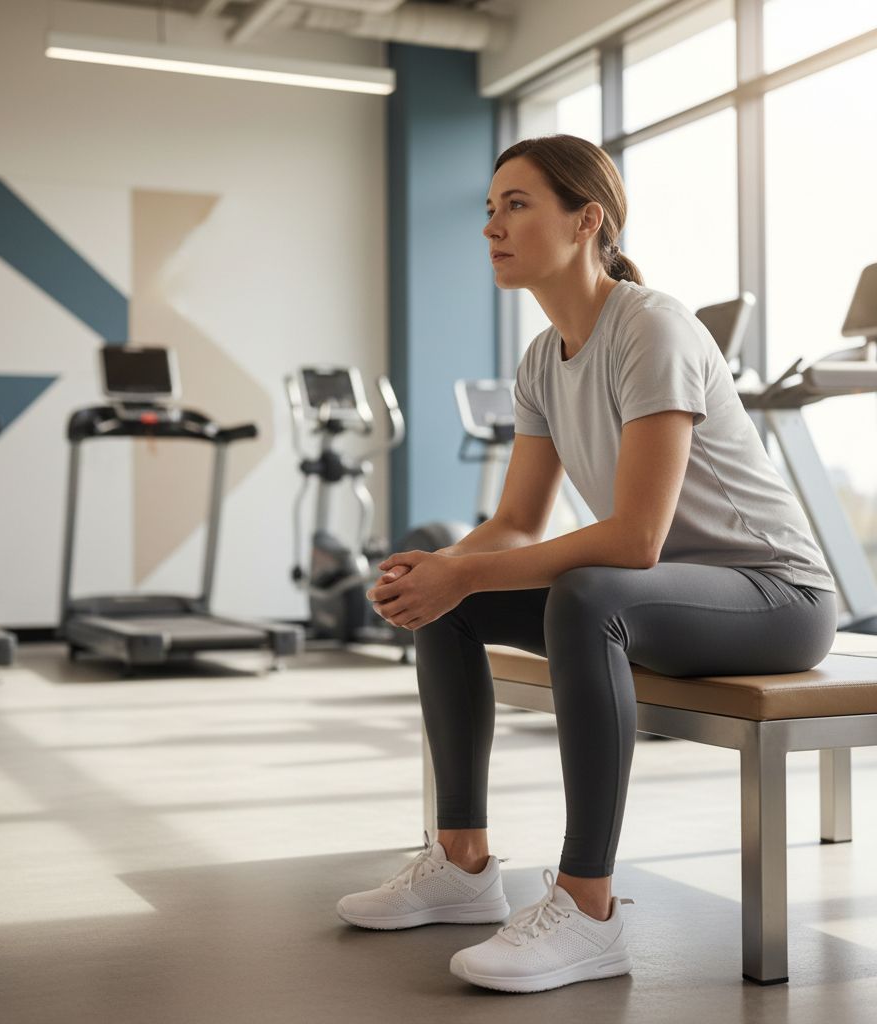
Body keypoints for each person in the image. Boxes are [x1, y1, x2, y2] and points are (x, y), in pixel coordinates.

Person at [335, 134, 838, 994]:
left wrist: (467, 568)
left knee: (585, 595)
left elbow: (637, 537)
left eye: (517, 205)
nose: (493, 226)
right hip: (660, 601)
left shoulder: (652, 324)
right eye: (489, 209)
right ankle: (462, 864)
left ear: (586, 221)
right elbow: (516, 523)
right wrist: (440, 569)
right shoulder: (542, 359)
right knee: (454, 605)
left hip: (775, 598)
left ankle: (590, 907)